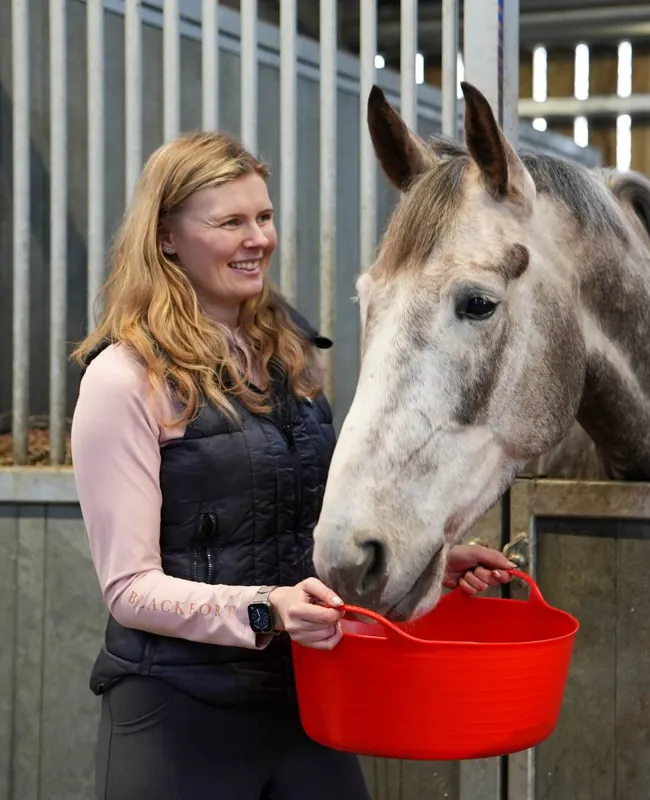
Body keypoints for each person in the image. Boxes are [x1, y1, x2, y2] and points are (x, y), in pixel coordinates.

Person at [70, 131, 516, 800]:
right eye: (230, 222)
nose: (258, 239)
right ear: (167, 238)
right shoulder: (125, 378)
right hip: (178, 712)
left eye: (264, 216)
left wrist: (423, 558)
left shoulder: (292, 358)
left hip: (306, 701)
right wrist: (265, 611)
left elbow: (295, 529)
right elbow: (130, 588)